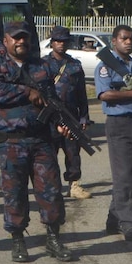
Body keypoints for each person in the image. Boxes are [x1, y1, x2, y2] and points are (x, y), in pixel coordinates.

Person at [0, 20, 74, 263]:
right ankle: (17, 239)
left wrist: (60, 123)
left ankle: (54, 238)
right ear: (6, 41)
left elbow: (51, 99)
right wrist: (27, 92)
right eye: (16, 37)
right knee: (14, 193)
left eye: (24, 37)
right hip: (11, 142)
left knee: (52, 191)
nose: (21, 41)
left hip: (41, 141)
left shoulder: (42, 66)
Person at [94, 25, 132, 242]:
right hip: (119, 123)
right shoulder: (106, 66)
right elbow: (104, 94)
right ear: (114, 41)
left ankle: (113, 219)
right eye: (124, 38)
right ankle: (128, 223)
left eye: (131, 39)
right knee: (123, 175)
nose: (128, 42)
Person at [42, 25, 91, 200]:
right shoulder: (42, 65)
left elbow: (82, 94)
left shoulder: (74, 65)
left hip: (70, 116)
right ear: (52, 42)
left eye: (64, 41)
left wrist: (84, 116)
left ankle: (74, 185)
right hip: (49, 118)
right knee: (48, 154)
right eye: (57, 41)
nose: (61, 44)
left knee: (73, 152)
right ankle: (52, 187)